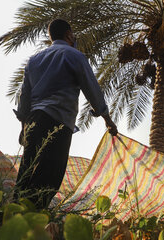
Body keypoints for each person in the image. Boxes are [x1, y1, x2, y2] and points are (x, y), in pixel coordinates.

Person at [13, 19, 118, 209]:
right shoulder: (74, 55)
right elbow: (92, 90)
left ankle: (11, 220)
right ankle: (32, 222)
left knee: (26, 173)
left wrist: (24, 128)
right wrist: (107, 119)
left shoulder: (34, 60)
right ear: (69, 34)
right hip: (58, 122)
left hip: (34, 121)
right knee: (49, 177)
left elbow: (24, 97)